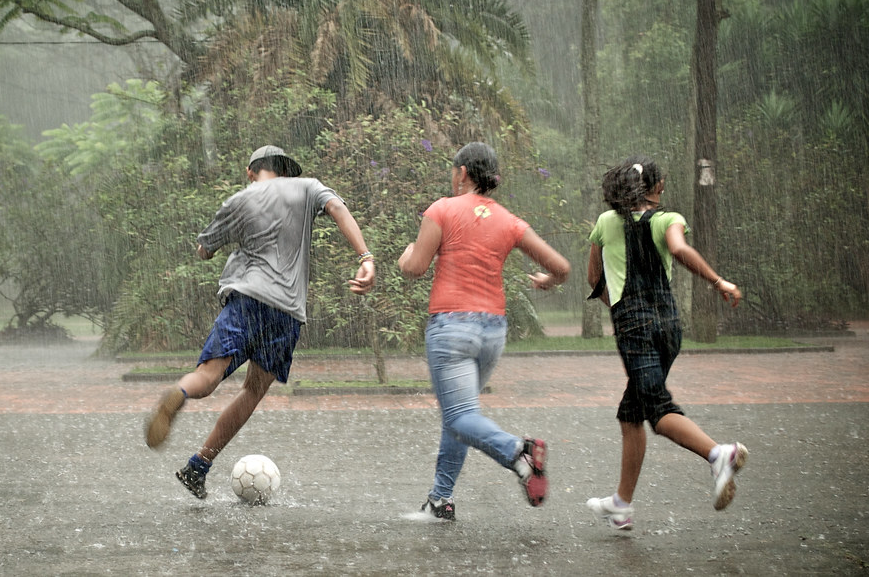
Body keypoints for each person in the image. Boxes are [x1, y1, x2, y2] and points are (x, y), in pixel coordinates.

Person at [144, 145, 375, 499]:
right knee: (252, 391)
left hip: (245, 301)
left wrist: (225, 238)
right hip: (285, 312)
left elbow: (205, 250)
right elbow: (338, 209)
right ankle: (198, 466)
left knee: (208, 376)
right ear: (284, 170)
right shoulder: (308, 187)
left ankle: (181, 393)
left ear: (251, 172)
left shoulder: (240, 200)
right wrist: (365, 257)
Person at [398, 142, 571, 521]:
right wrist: (548, 280)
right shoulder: (509, 221)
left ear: (462, 173)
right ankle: (440, 500)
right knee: (459, 416)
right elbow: (562, 266)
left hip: (451, 327)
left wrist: (406, 253)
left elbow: (415, 267)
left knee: (460, 417)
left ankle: (518, 452)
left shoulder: (442, 209)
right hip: (492, 330)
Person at [584, 155, 746, 531]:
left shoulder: (606, 223)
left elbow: (595, 277)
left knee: (657, 409)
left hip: (635, 329)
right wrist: (717, 281)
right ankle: (621, 504)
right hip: (669, 326)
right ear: (655, 188)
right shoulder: (668, 220)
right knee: (630, 413)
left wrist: (621, 306)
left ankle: (718, 454)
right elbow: (678, 250)